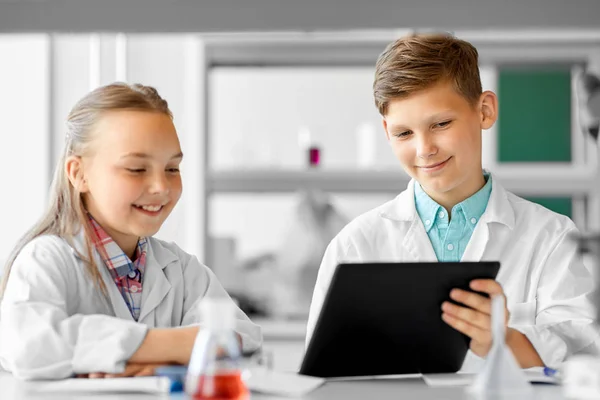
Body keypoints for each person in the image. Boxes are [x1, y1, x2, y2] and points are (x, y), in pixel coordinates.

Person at [306, 33, 599, 371]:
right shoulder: (354, 246)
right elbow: (323, 380)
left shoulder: (552, 238)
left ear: (485, 111)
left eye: (441, 123)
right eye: (404, 133)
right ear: (387, 132)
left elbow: (584, 368)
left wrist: (503, 340)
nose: (424, 149)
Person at [0, 83, 262, 380]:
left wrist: (164, 362)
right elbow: (27, 345)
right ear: (79, 173)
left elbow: (246, 338)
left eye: (172, 169)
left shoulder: (180, 269)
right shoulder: (47, 258)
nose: (161, 187)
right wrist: (180, 345)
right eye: (137, 169)